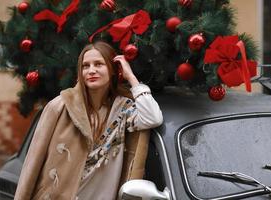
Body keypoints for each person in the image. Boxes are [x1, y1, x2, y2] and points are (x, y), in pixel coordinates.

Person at [14, 41, 163, 200]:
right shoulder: (61, 106)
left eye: (98, 64)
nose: (91, 70)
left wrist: (131, 77)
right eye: (86, 66)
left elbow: (152, 118)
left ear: (112, 69)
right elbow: (33, 163)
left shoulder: (122, 109)